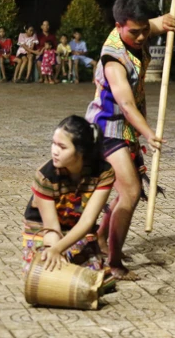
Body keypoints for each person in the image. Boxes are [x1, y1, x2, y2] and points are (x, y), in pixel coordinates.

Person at [85, 0, 175, 280]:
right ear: (119, 26)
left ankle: (102, 243)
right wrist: (150, 133)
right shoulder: (113, 58)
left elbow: (171, 17)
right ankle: (114, 264)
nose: (143, 37)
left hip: (126, 127)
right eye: (135, 32)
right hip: (106, 126)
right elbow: (127, 105)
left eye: (145, 31)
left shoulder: (140, 27)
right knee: (130, 192)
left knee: (123, 193)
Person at [21, 115, 116, 294]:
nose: (54, 151)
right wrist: (54, 251)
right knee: (43, 277)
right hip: (43, 227)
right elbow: (51, 227)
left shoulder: (103, 172)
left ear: (80, 152)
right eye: (53, 143)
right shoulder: (45, 175)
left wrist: (60, 249)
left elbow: (87, 221)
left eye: (62, 146)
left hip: (77, 226)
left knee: (99, 283)